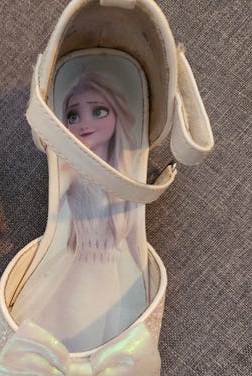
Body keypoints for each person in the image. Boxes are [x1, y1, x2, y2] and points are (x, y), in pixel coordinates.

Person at [12, 73, 148, 352]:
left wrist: (141, 280)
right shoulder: (71, 171)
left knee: (103, 339)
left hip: (111, 282)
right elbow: (59, 191)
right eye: (73, 116)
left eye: (98, 111)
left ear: (117, 112)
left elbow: (135, 239)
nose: (84, 123)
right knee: (75, 336)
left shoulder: (127, 176)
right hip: (82, 275)